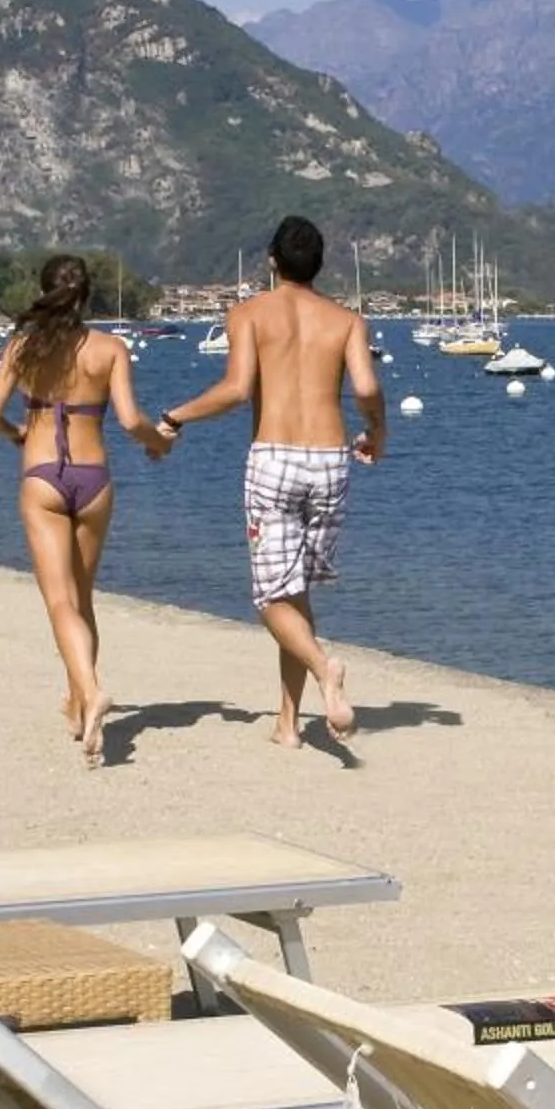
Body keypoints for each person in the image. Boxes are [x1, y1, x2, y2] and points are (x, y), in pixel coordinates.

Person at [150, 215, 386, 746]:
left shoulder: (249, 314)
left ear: (272, 262)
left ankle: (324, 669)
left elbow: (237, 390)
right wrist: (378, 430)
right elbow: (367, 387)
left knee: (269, 598)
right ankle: (287, 724)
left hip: (276, 459)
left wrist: (174, 417)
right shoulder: (347, 321)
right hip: (330, 460)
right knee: (293, 593)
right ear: (319, 264)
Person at [0, 254, 164, 763]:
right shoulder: (110, 348)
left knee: (59, 602)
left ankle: (91, 690)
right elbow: (130, 421)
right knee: (81, 599)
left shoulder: (22, 348)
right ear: (86, 296)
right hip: (93, 479)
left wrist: (18, 434)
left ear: (44, 292)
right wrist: (160, 443)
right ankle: (79, 704)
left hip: (43, 477)